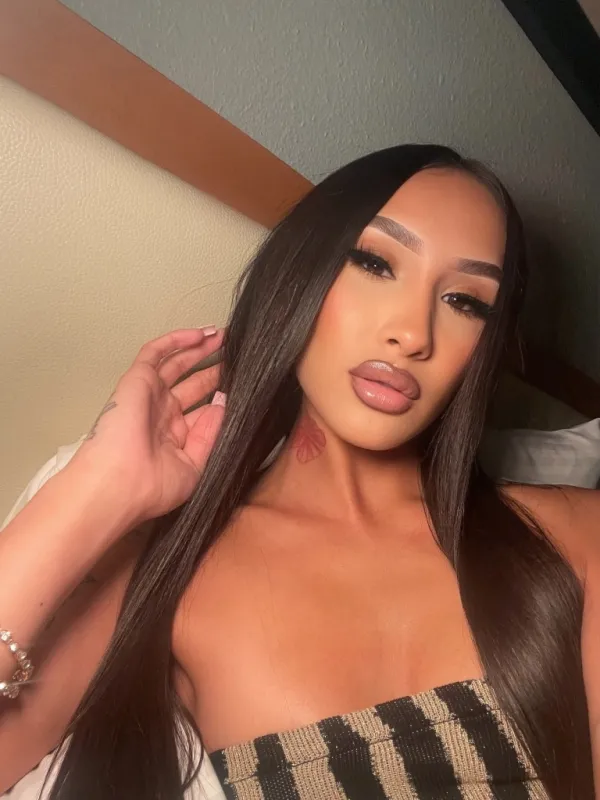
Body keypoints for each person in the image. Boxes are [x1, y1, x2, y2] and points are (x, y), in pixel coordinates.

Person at [0, 145, 598, 800]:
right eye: (376, 263)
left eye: (464, 300)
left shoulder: (574, 539)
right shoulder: (169, 567)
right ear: (299, 275)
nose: (412, 333)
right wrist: (95, 491)